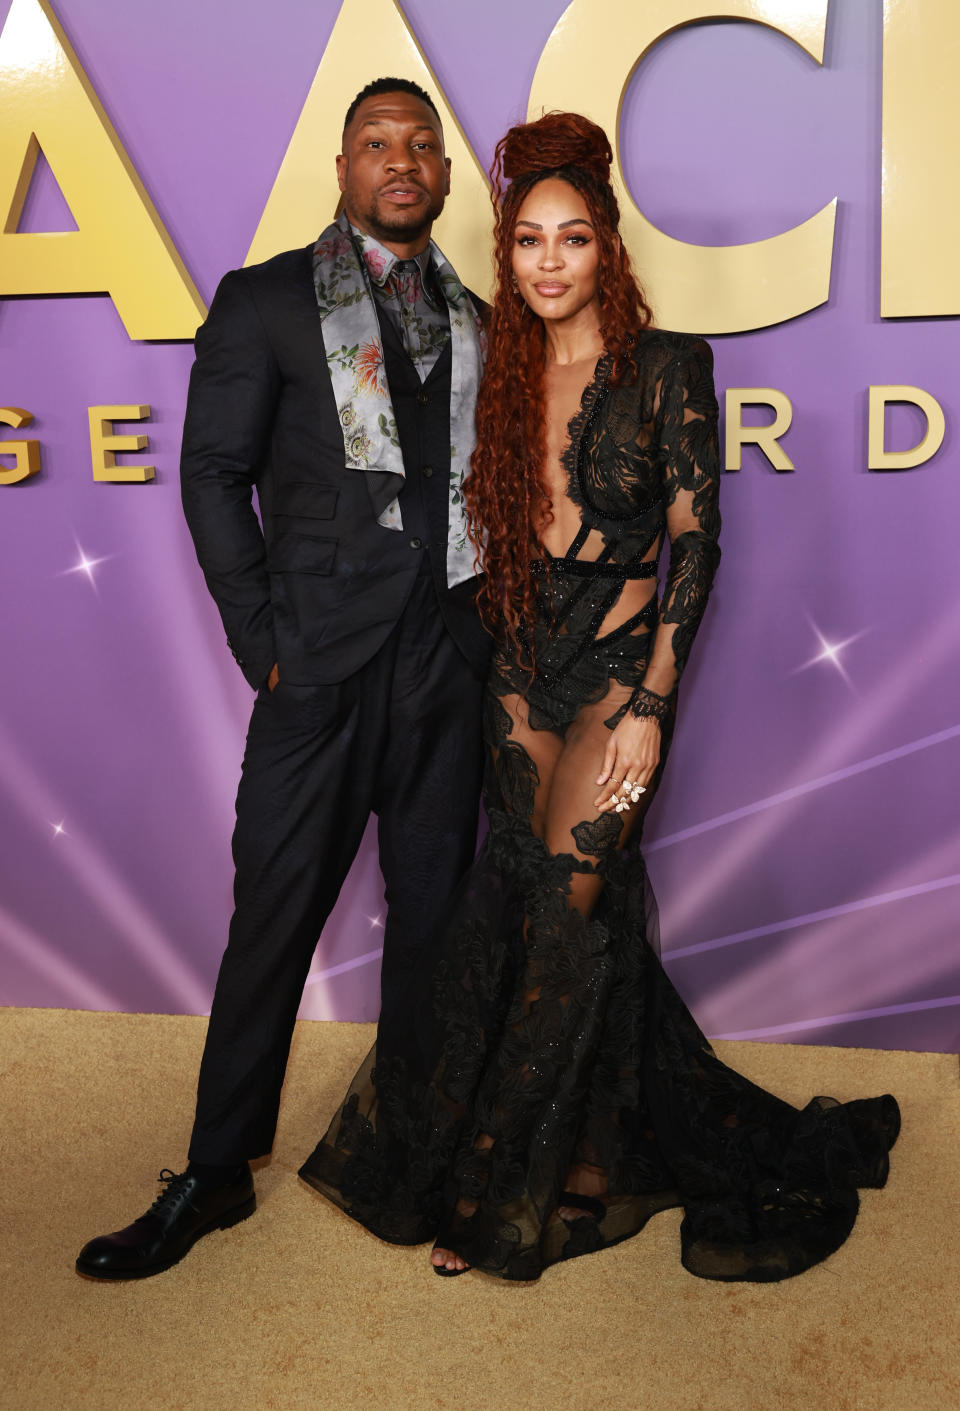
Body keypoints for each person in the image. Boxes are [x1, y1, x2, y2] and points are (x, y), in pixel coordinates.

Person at [299, 112, 900, 1283]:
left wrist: (653, 702)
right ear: (509, 252)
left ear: (607, 249)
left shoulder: (670, 367)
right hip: (522, 670)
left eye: (573, 239)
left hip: (620, 676)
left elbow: (697, 539)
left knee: (569, 915)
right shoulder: (498, 370)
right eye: (528, 240)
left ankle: (488, 1182)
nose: (549, 262)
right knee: (535, 911)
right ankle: (585, 1154)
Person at [76, 78, 490, 1280]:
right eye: (377, 143)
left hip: (445, 666)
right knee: (271, 921)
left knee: (429, 922)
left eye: (421, 146)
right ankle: (214, 1173)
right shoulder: (263, 302)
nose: (401, 161)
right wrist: (263, 637)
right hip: (315, 672)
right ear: (344, 164)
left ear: (447, 178)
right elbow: (212, 475)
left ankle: (407, 1149)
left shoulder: (479, 318)